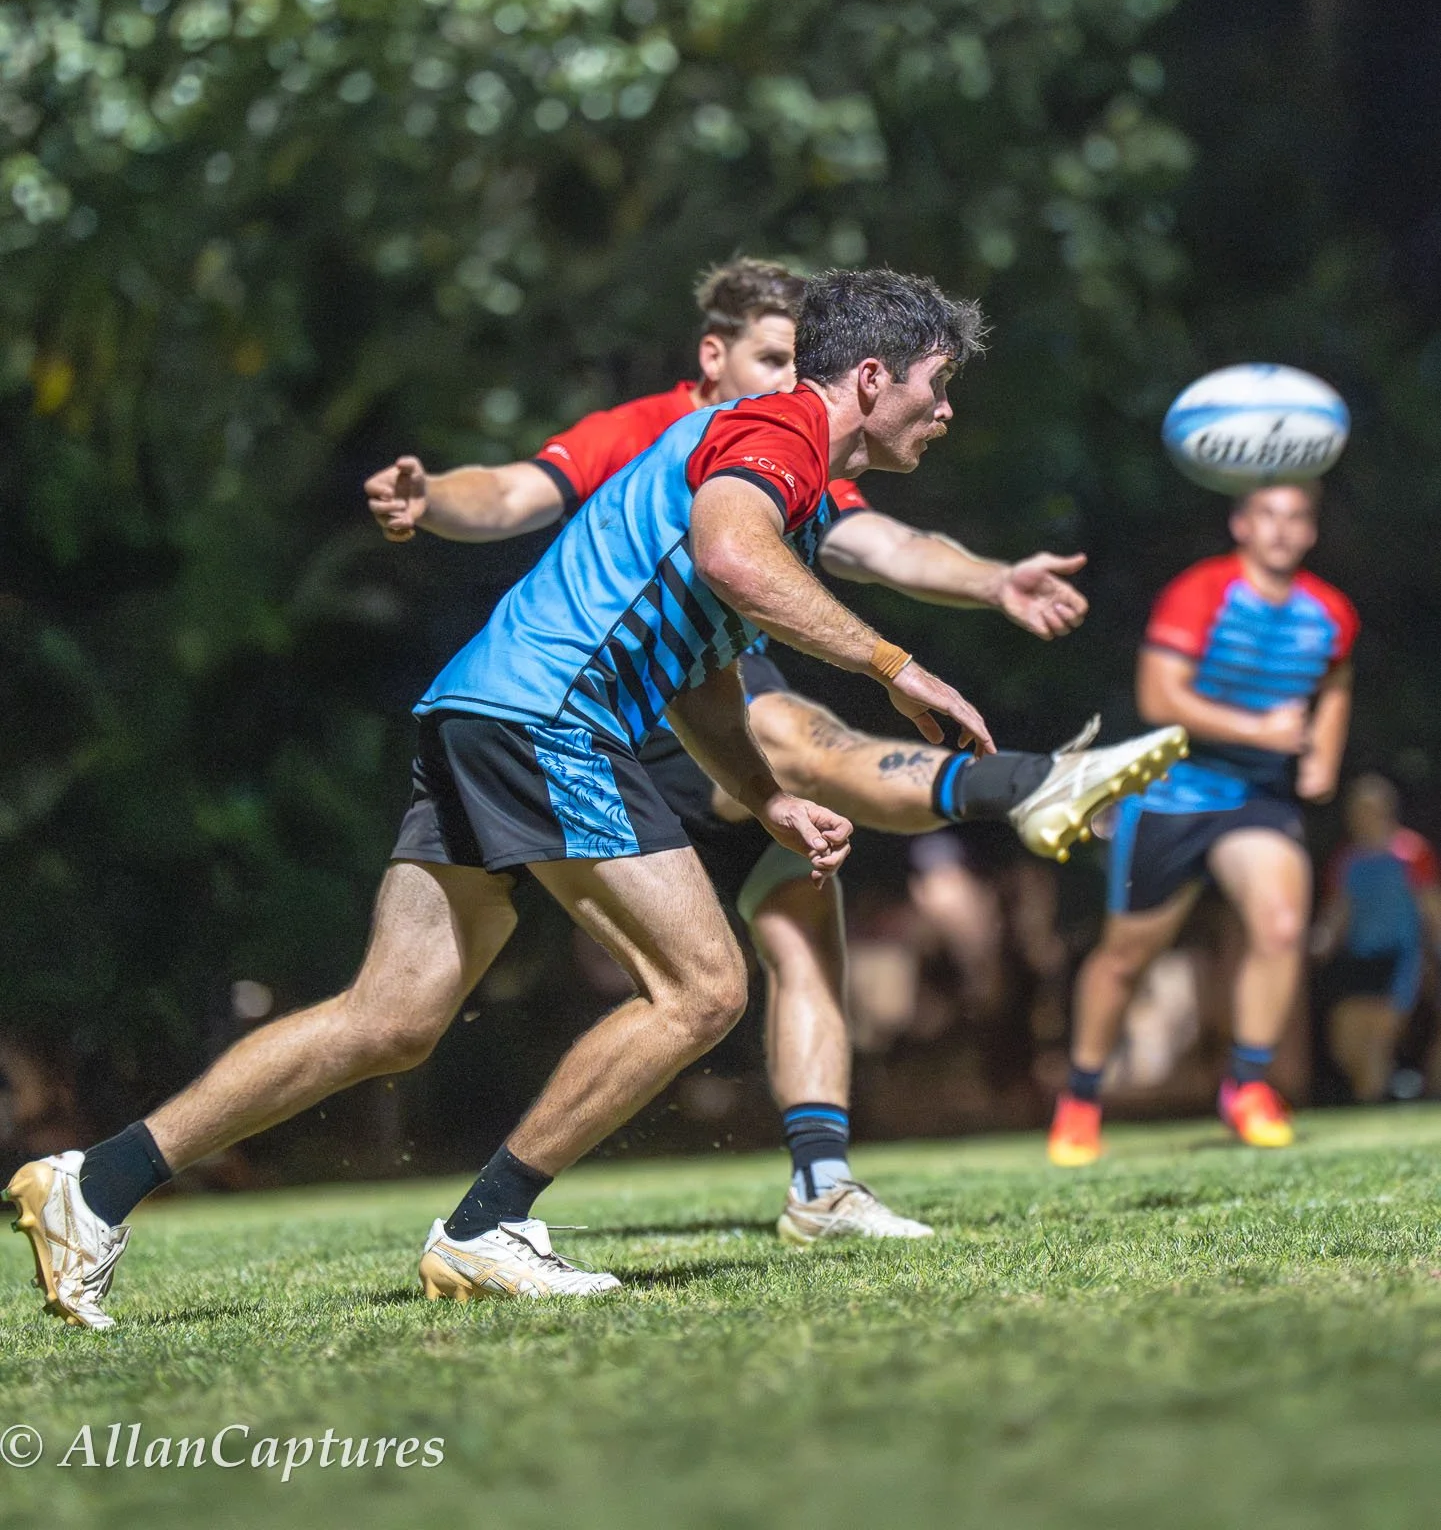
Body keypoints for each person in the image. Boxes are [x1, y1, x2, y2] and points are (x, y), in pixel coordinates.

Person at [10, 268, 1175, 1330]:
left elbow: (707, 659)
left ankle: (93, 1184)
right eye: (936, 386)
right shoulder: (773, 428)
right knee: (704, 986)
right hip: (545, 720)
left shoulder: (798, 482)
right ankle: (486, 1226)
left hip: (484, 708)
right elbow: (730, 562)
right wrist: (893, 664)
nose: (946, 409)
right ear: (870, 378)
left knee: (392, 1017)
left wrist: (761, 797)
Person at [364, 259, 1182, 1241]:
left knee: (801, 899)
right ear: (714, 358)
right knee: (797, 743)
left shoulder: (806, 460)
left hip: (672, 703)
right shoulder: (692, 430)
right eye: (773, 356)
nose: (793, 375)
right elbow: (507, 494)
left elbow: (887, 549)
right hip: (591, 712)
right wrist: (432, 497)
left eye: (803, 359)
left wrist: (992, 578)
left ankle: (820, 1183)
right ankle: (1028, 782)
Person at [1048, 482, 1358, 1165]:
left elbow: (1333, 683)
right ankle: (1080, 1096)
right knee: (1125, 958)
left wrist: (1322, 759)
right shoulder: (1201, 593)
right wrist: (1261, 728)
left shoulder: (1327, 611)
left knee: (1280, 925)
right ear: (1240, 525)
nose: (1280, 531)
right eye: (1266, 517)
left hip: (1256, 798)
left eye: (1295, 518)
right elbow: (1157, 696)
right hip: (1171, 793)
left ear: (1309, 532)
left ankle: (1246, 1086)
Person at [1312, 775, 1441, 1103]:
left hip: (1400, 957)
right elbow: (1339, 909)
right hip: (1358, 958)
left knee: (1377, 1039)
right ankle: (1391, 1091)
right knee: (1346, 1044)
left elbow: (1430, 907)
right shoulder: (1347, 860)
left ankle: (1377, 1103)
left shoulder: (1411, 853)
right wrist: (1322, 939)